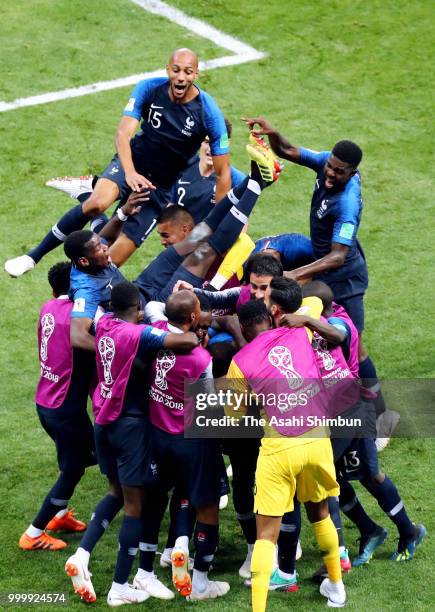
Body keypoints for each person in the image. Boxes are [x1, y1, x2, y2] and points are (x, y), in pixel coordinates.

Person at [5, 48, 231, 276]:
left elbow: (223, 173)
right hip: (131, 163)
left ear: (197, 74)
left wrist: (215, 221)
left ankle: (84, 194)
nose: (181, 77)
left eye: (188, 72)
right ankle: (32, 257)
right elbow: (122, 134)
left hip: (159, 187)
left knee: (110, 261)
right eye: (176, 70)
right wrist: (131, 173)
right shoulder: (149, 88)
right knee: (97, 203)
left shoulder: (209, 113)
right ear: (167, 69)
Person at [243, 117, 398, 445]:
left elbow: (338, 257)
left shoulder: (347, 203)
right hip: (317, 252)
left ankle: (383, 414)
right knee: (266, 252)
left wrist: (291, 277)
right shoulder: (330, 161)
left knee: (354, 345)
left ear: (351, 173)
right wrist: (273, 134)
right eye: (329, 167)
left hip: (343, 276)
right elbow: (287, 149)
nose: (329, 173)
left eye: (338, 172)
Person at [66, 282, 200, 605]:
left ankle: (82, 555)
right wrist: (193, 325)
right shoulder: (135, 335)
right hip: (129, 427)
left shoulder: (105, 324)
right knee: (135, 506)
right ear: (137, 309)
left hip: (102, 420)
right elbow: (185, 340)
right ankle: (121, 586)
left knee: (115, 493)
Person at [225, 295, 346, 610]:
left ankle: (259, 607)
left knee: (266, 533)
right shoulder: (300, 332)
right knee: (321, 512)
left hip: (279, 447)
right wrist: (300, 317)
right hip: (318, 439)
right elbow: (316, 299)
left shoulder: (240, 362)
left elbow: (235, 417)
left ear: (242, 327)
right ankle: (336, 587)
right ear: (271, 315)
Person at [147, 290, 230, 601]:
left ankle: (176, 547)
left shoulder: (154, 336)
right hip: (192, 440)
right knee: (207, 506)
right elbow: (208, 403)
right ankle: (200, 584)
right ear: (195, 317)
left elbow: (155, 306)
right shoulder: (200, 358)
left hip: (158, 434)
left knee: (179, 492)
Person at [19, 262, 95, 552]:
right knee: (76, 468)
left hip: (47, 403)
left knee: (78, 459)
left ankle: (59, 516)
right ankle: (34, 532)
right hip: (66, 410)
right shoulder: (78, 320)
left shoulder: (48, 307)